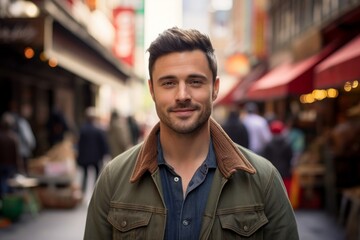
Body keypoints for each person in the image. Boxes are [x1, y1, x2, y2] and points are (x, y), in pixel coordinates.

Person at [84, 27, 299, 239]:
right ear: (151, 90)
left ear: (215, 88)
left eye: (195, 82)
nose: (182, 95)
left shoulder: (263, 180)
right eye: (169, 83)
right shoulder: (114, 179)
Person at [76, 107, 109, 193]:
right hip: (95, 157)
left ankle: (83, 191)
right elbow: (103, 144)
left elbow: (80, 144)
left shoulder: (83, 130)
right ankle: (96, 190)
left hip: (85, 157)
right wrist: (104, 154)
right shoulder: (97, 130)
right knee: (97, 173)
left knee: (85, 175)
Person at [261, 120, 293, 196]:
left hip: (272, 172)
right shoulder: (287, 144)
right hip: (285, 172)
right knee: (285, 193)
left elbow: (265, 159)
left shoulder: (268, 145)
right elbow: (290, 157)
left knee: (274, 193)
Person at [0, 113, 23, 198]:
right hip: (10, 166)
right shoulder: (14, 138)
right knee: (9, 184)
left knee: (4, 184)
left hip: (3, 165)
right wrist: (20, 168)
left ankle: (4, 201)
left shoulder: (4, 137)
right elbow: (17, 156)